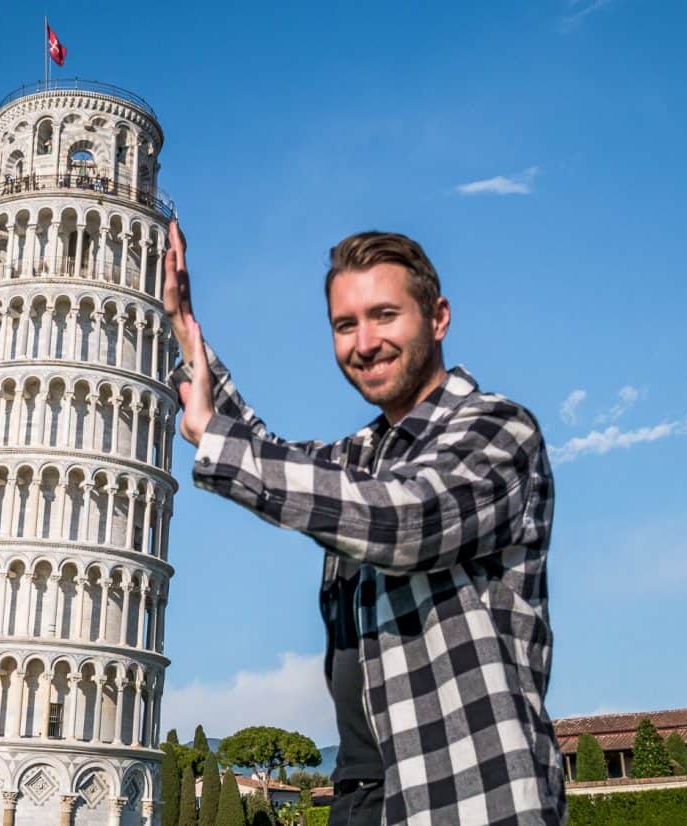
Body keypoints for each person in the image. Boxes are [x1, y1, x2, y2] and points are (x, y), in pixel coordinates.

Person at [163, 221, 565, 826]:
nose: (365, 341)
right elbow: (271, 454)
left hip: (468, 789)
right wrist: (185, 333)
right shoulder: (358, 458)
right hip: (360, 795)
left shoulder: (499, 430)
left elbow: (401, 520)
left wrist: (217, 443)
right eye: (346, 325)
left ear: (438, 318)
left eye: (384, 315)